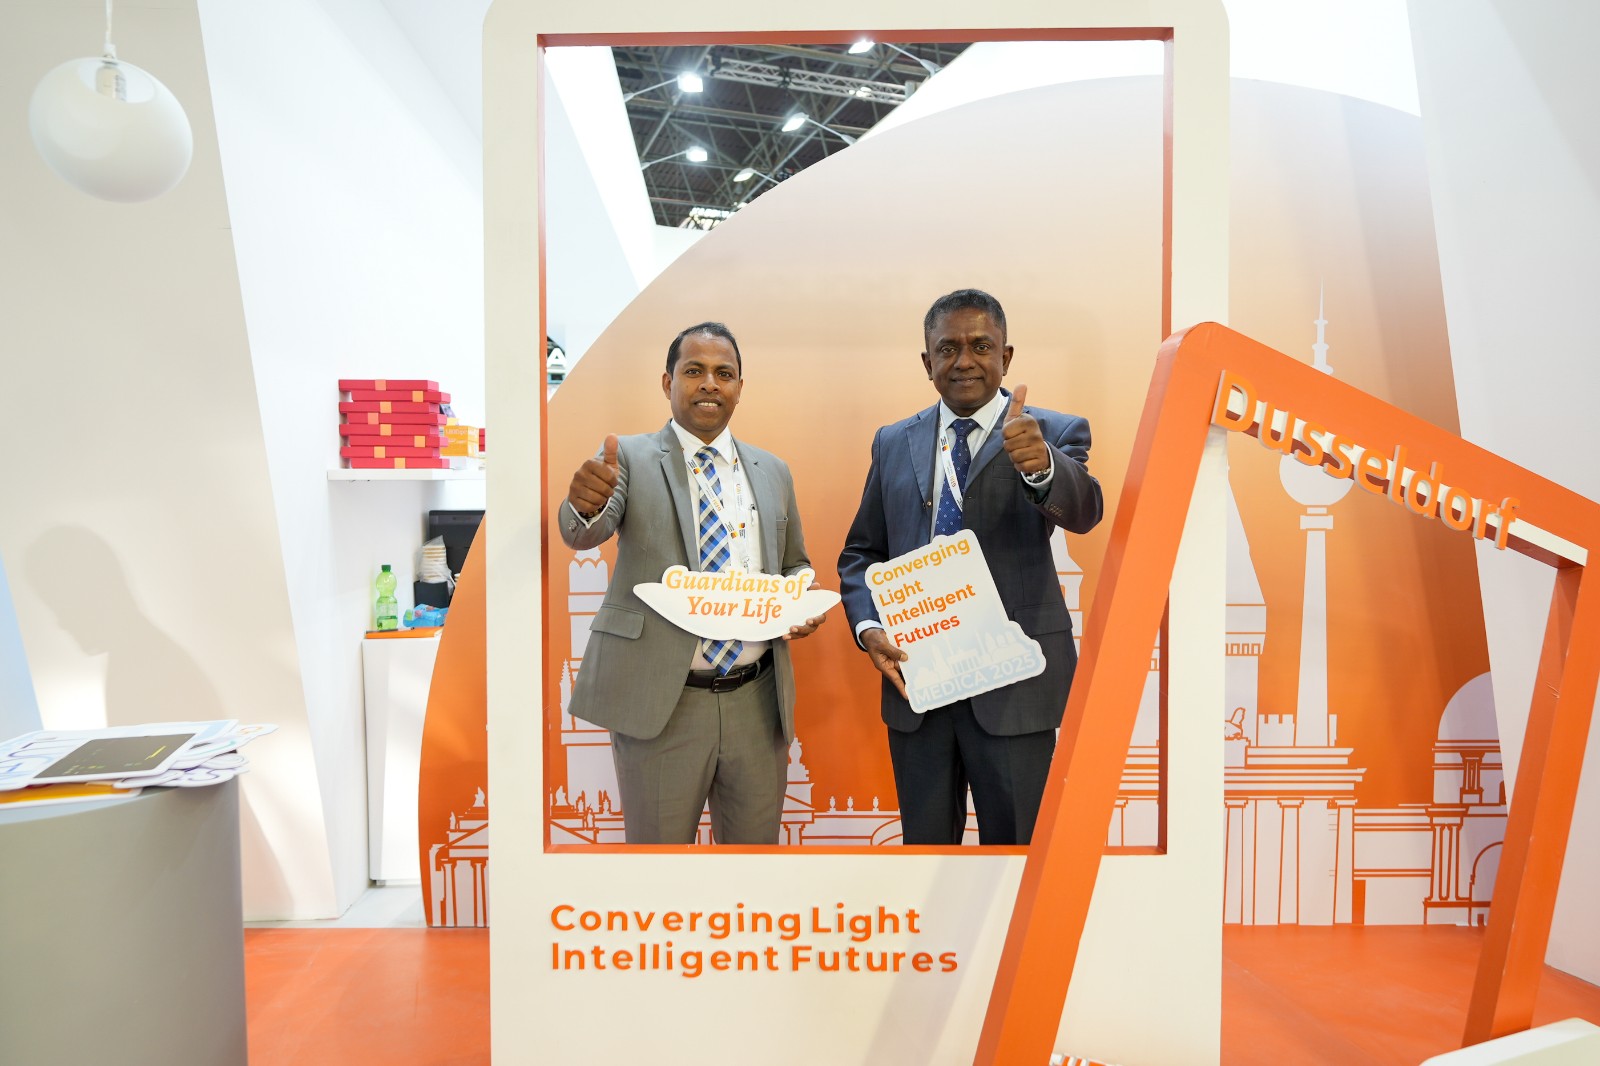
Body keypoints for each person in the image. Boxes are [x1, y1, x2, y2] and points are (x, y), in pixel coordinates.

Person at [838, 289, 1103, 845]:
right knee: (927, 856)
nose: (964, 361)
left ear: (1006, 357)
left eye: (981, 346)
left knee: (1016, 858)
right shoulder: (892, 442)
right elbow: (862, 552)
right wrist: (869, 626)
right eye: (948, 348)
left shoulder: (1051, 432)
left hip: (1014, 686)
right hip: (918, 682)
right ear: (927, 361)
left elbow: (1085, 512)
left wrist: (1043, 469)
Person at [559, 322, 824, 844]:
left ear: (739, 387)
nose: (709, 384)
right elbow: (583, 532)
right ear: (668, 382)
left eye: (724, 374)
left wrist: (801, 600)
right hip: (662, 702)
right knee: (658, 871)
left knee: (752, 871)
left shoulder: (773, 471)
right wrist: (583, 504)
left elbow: (794, 565)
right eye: (694, 371)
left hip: (756, 703)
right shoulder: (628, 458)